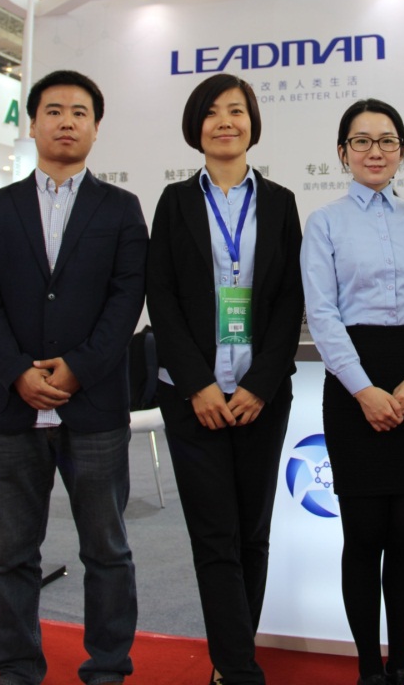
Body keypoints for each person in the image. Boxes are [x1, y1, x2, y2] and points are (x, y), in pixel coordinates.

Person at [0, 69, 148, 685]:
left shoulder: (121, 209)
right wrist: (16, 370)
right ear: (34, 123)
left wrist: (78, 368)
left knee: (107, 550)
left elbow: (127, 298)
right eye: (53, 110)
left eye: (79, 112)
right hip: (15, 407)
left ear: (95, 127)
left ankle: (108, 667)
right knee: (13, 554)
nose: (66, 121)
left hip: (93, 406)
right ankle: (17, 667)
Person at [146, 73, 303, 685]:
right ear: (197, 126)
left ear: (252, 123)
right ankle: (237, 670)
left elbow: (289, 300)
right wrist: (198, 385)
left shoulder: (281, 202)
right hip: (195, 399)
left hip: (261, 396)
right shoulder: (174, 202)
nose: (225, 122)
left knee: (253, 534)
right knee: (214, 535)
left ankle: (234, 658)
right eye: (212, 112)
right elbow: (161, 297)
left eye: (236, 111)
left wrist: (260, 383)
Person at [301, 98, 404, 685]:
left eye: (387, 140)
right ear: (342, 153)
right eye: (361, 141)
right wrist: (365, 390)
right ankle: (369, 667)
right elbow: (322, 314)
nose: (375, 151)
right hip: (352, 386)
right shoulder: (325, 223)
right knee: (363, 536)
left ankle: (402, 665)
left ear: (402, 152)